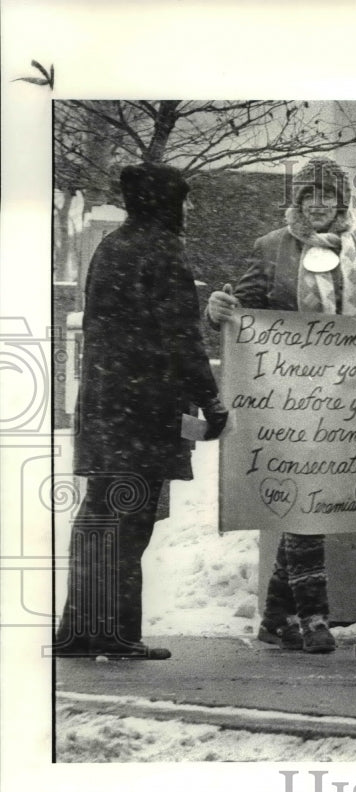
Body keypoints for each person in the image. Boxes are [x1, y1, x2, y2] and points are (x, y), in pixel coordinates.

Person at [206, 158, 356, 654]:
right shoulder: (271, 248)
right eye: (309, 195)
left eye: (327, 195)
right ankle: (313, 617)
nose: (318, 204)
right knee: (305, 500)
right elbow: (243, 309)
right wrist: (219, 310)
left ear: (342, 201)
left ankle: (275, 619)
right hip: (286, 399)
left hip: (347, 400)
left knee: (312, 500)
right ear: (297, 200)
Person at [55, 163, 228, 660]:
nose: (190, 207)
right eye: (185, 198)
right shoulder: (163, 250)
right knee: (130, 522)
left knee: (98, 517)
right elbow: (180, 335)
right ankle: (116, 635)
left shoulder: (112, 246)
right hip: (144, 408)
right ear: (163, 200)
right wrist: (210, 401)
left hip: (109, 403)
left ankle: (79, 631)